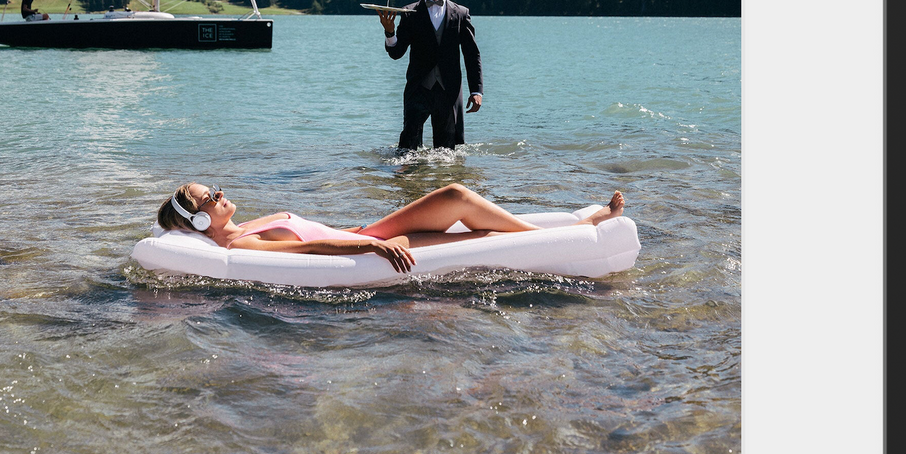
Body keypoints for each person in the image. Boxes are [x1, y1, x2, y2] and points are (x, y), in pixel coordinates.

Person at [157, 181, 628, 276]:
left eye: (213, 188)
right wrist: (376, 250)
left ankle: (578, 223)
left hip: (370, 231)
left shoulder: (245, 224)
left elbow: (308, 231)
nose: (219, 194)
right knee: (460, 205)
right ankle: (582, 227)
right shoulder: (242, 242)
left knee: (459, 201)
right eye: (208, 198)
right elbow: (308, 250)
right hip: (372, 244)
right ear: (199, 220)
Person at [378, 0, 482, 154]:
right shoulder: (409, 12)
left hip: (449, 91)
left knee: (447, 154)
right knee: (407, 151)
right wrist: (389, 32)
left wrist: (476, 91)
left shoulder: (461, 13)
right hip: (418, 90)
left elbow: (472, 55)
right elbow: (396, 53)